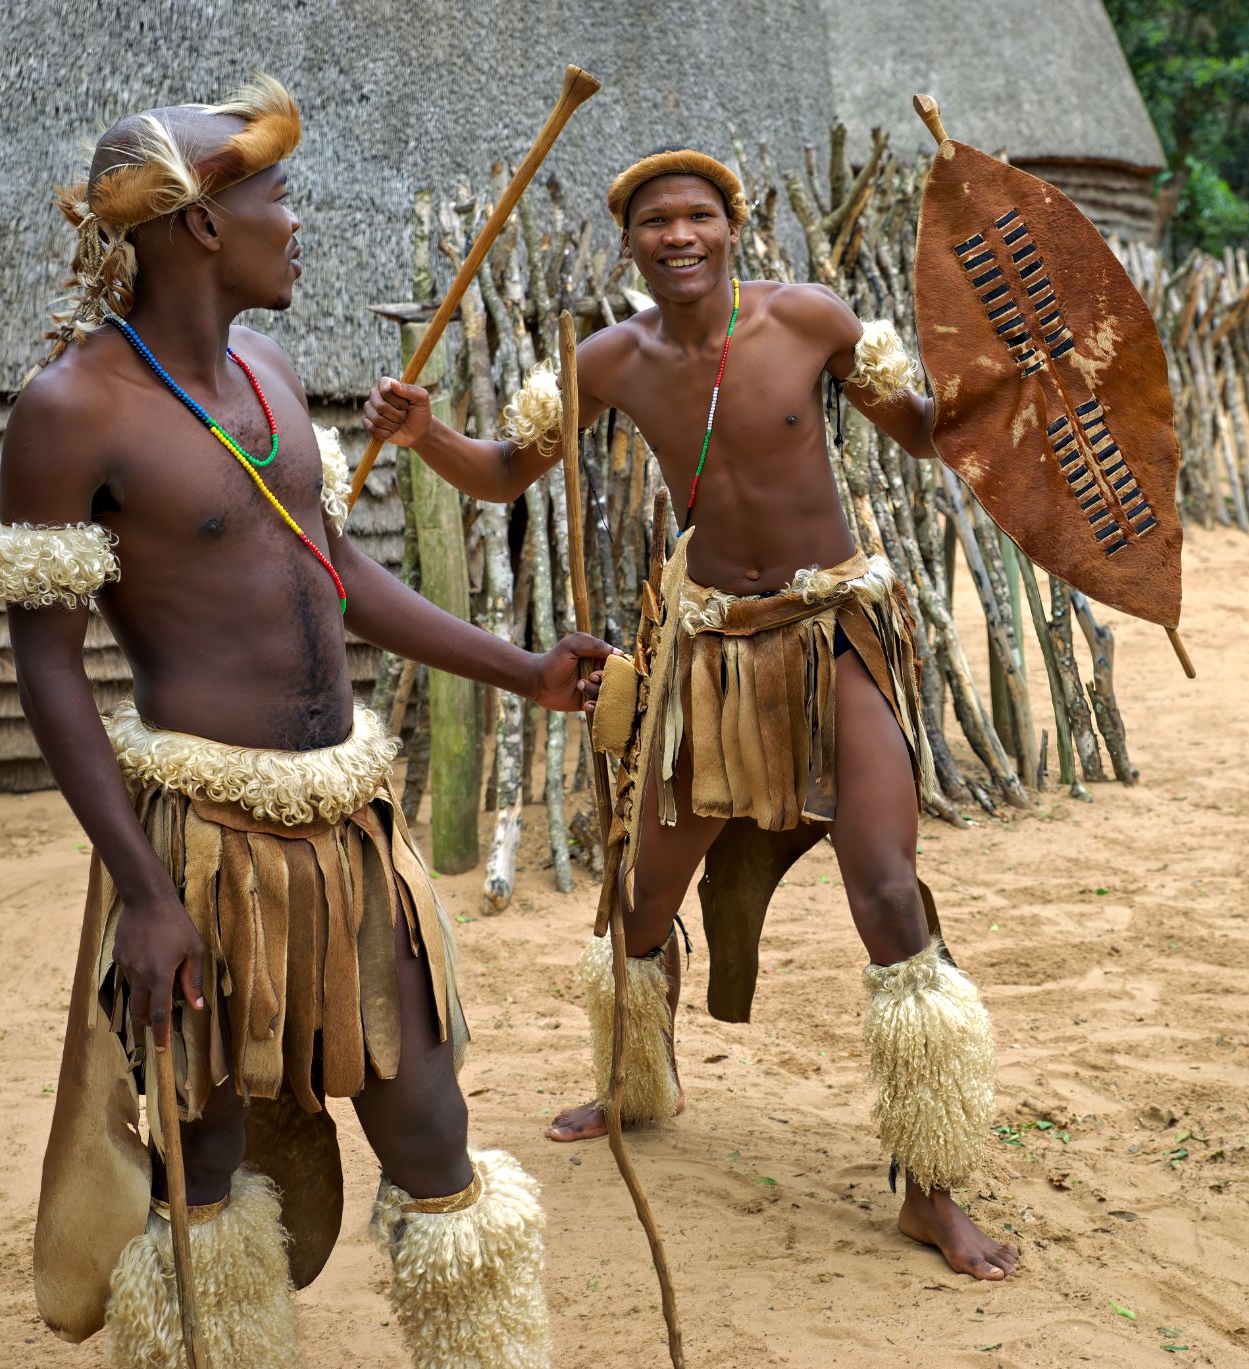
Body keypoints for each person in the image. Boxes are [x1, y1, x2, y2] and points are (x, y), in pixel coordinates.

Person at [0, 76, 606, 1366]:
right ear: (202, 225)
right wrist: (144, 891)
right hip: (204, 840)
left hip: (350, 824)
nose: (295, 220)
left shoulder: (266, 368)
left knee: (432, 1127)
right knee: (202, 1169)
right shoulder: (71, 412)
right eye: (275, 196)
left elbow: (335, 574)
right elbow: (47, 669)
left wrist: (521, 666)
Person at [361, 148, 1017, 1281]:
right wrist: (425, 436)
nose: (679, 236)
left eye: (698, 217)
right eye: (655, 222)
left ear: (732, 228)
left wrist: (986, 390)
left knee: (888, 883)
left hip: (836, 630)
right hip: (710, 648)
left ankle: (930, 1183)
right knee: (642, 895)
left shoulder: (809, 319)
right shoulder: (605, 360)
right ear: (629, 243)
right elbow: (509, 471)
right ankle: (633, 1085)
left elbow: (915, 427)